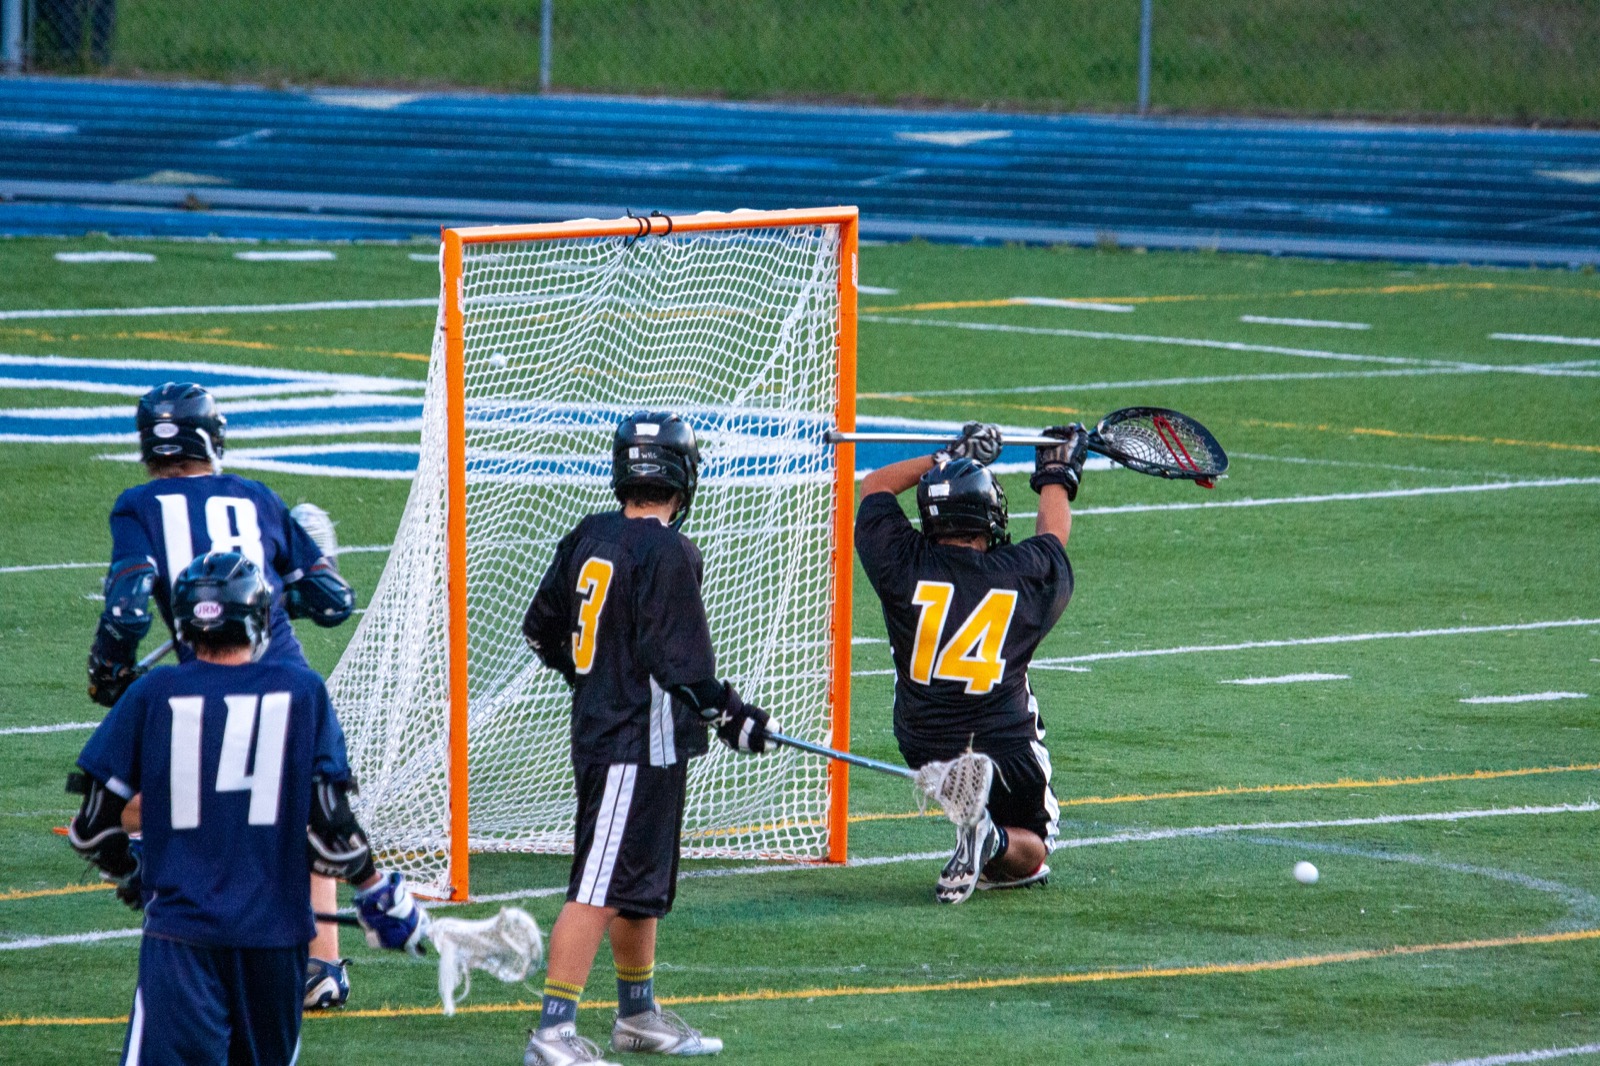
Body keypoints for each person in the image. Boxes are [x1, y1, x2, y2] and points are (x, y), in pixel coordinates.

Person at [67, 551, 426, 1066]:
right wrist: (376, 890)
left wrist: (132, 872)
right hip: (276, 944)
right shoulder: (302, 690)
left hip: (182, 939)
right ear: (258, 619)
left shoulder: (153, 692)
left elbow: (91, 828)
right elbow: (330, 825)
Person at [85, 381, 360, 1009]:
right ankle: (322, 966)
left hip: (203, 681)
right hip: (284, 681)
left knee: (144, 803)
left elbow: (128, 609)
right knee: (304, 805)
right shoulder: (254, 496)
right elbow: (333, 602)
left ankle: (170, 872)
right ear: (213, 436)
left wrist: (108, 669)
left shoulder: (139, 505)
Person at [520, 411, 777, 1065]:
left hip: (625, 734)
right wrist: (733, 713)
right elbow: (682, 665)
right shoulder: (670, 551)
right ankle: (552, 1032)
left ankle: (637, 1015)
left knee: (638, 883)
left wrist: (594, 678)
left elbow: (541, 627)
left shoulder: (589, 534)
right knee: (599, 885)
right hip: (631, 742)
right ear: (683, 477)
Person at [854, 421, 1087, 904]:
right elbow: (1052, 537)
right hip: (1006, 744)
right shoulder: (1020, 575)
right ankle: (994, 839)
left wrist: (944, 457)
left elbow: (873, 486)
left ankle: (982, 830)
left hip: (926, 742)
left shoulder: (901, 563)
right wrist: (1057, 475)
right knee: (1034, 851)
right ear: (990, 518)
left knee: (995, 822)